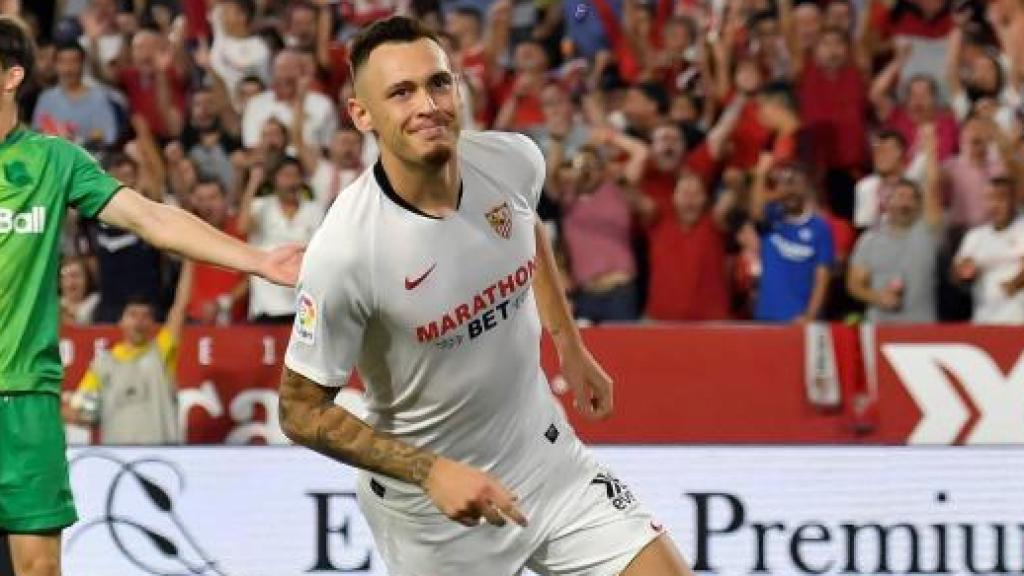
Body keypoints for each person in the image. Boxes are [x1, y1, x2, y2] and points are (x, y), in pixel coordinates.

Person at [278, 16, 693, 576]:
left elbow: (528, 233)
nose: (427, 104)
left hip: (546, 461)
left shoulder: (513, 160)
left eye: (438, 83)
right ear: (362, 114)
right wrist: (430, 471)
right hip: (434, 514)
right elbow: (299, 412)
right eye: (401, 92)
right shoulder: (345, 251)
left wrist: (569, 343)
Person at [0, 16, 301, 576]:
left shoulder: (52, 161)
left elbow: (152, 219)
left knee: (38, 567)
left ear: (11, 76)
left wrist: (257, 260)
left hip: (26, 399)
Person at [64, 261, 192, 444]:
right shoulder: (103, 365)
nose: (139, 322)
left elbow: (180, 307)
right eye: (133, 315)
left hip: (162, 458)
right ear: (121, 321)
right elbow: (83, 412)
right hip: (119, 462)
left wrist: (190, 260)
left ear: (152, 324)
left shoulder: (161, 352)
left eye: (145, 316)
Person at [750, 155, 835, 322]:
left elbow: (822, 277)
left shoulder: (819, 227)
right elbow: (755, 211)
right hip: (766, 317)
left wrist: (810, 315)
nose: (790, 190)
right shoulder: (771, 218)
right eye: (785, 183)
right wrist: (761, 174)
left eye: (795, 183)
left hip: (800, 319)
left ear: (806, 187)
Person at [952, 177, 1024, 324]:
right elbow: (957, 275)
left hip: (1018, 319)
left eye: (1001, 198)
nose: (995, 204)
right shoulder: (975, 236)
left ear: (1014, 200)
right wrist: (963, 272)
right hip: (984, 319)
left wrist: (1016, 283)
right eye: (990, 198)